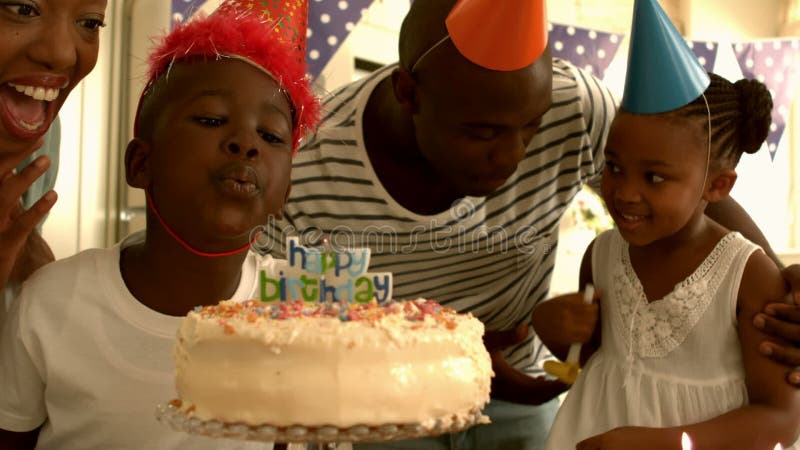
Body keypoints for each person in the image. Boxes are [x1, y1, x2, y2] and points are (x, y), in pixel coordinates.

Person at [259, 0, 800, 448]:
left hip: (520, 399)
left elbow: (679, 169)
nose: (515, 154)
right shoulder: (305, 163)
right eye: (483, 132)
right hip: (380, 404)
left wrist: (781, 294)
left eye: (531, 127)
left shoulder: (575, 108)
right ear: (410, 93)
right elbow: (269, 328)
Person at [0, 2, 319, 448]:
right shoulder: (52, 302)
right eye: (211, 119)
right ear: (140, 163)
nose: (245, 144)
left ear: (286, 193)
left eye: (270, 136)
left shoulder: (301, 316)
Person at [535, 2, 799, 447]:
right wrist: (552, 328)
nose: (624, 192)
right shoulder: (600, 256)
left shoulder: (747, 277)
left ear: (717, 185)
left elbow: (780, 418)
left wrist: (656, 442)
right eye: (614, 167)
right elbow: (592, 367)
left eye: (654, 177)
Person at [0, 0, 108, 322]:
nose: (62, 53)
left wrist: (25, 247)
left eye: (90, 23)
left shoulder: (39, 135)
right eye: (22, 9)